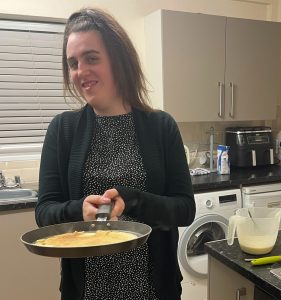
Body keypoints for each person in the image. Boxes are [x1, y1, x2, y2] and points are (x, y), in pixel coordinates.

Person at [35, 7, 195, 300]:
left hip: (152, 290)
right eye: (73, 63)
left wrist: (133, 200)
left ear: (119, 60)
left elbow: (185, 209)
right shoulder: (63, 130)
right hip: (87, 292)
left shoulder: (161, 126)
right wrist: (78, 211)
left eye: (91, 58)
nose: (81, 72)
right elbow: (44, 212)